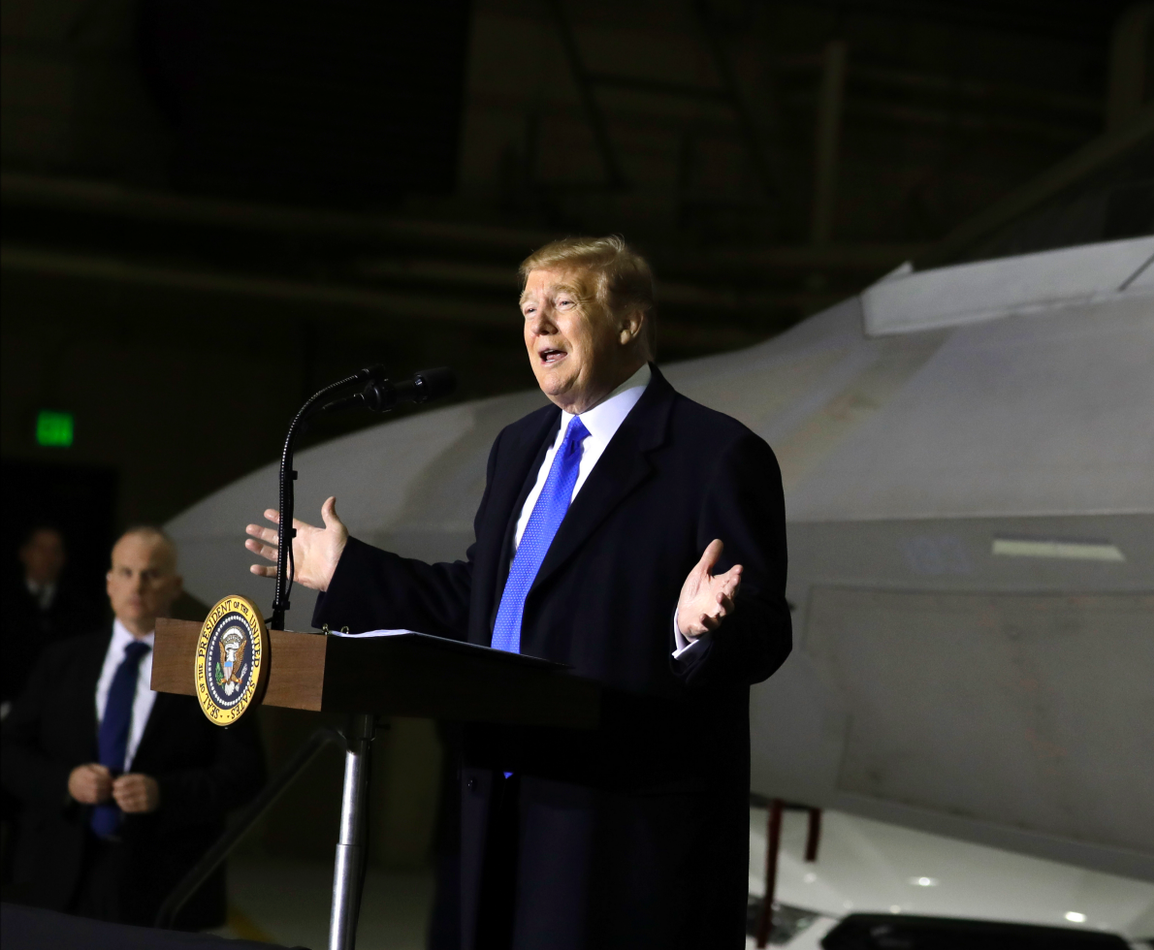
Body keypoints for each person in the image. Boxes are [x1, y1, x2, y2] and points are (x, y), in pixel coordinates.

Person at [243, 235, 792, 949]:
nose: (538, 327)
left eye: (563, 305)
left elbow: (765, 629)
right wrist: (348, 571)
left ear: (630, 321)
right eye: (528, 309)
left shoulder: (714, 454)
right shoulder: (518, 446)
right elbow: (488, 601)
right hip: (499, 799)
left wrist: (700, 628)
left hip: (620, 831)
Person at [0, 527, 266, 929]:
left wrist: (164, 792)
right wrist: (66, 782)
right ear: (109, 582)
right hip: (57, 874)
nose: (136, 585)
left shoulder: (212, 668)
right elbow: (9, 751)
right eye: (125, 572)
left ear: (175, 585)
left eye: (151, 574)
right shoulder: (63, 661)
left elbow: (246, 773)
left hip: (165, 881)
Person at [3, 527, 108, 712]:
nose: (48, 558)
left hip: (59, 710)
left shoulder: (79, 610)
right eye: (40, 549)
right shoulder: (8, 602)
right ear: (24, 553)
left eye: (55, 551)